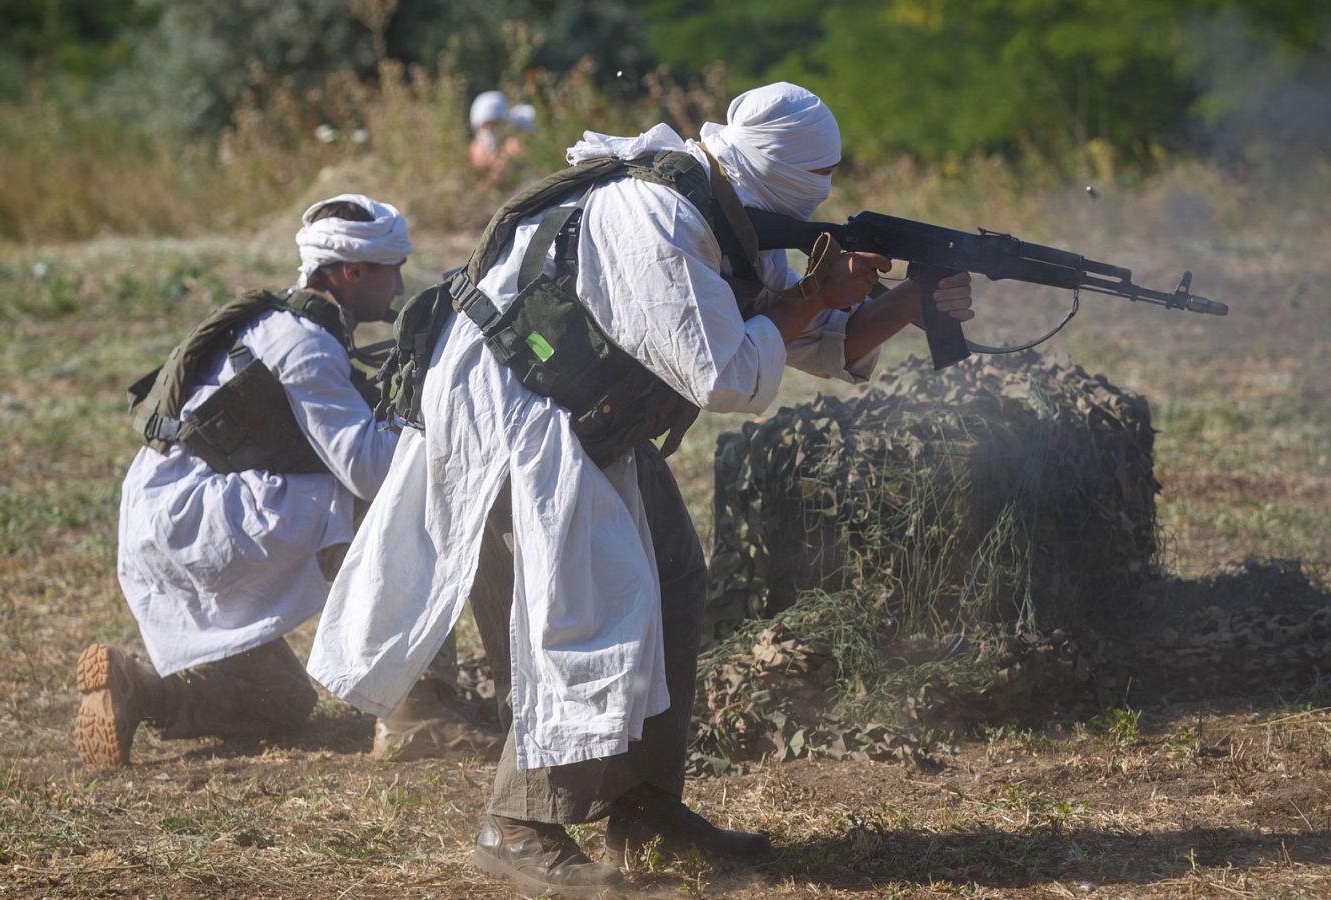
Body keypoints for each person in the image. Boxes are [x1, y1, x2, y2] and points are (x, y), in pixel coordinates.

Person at [308, 83, 974, 894]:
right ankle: (518, 825)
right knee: (587, 612)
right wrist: (812, 295)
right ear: (771, 165)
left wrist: (905, 301)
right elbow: (726, 370)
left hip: (592, 414)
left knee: (671, 577)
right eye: (815, 177)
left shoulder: (735, 208)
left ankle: (644, 806)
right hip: (521, 416)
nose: (823, 196)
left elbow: (807, 337)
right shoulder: (651, 215)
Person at [75, 194, 493, 768]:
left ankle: (138, 690)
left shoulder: (283, 323)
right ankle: (417, 716)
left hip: (169, 520)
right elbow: (370, 470)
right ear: (351, 271)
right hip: (199, 520)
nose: (398, 287)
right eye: (391, 269)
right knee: (399, 505)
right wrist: (442, 424)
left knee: (281, 702)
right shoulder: (305, 345)